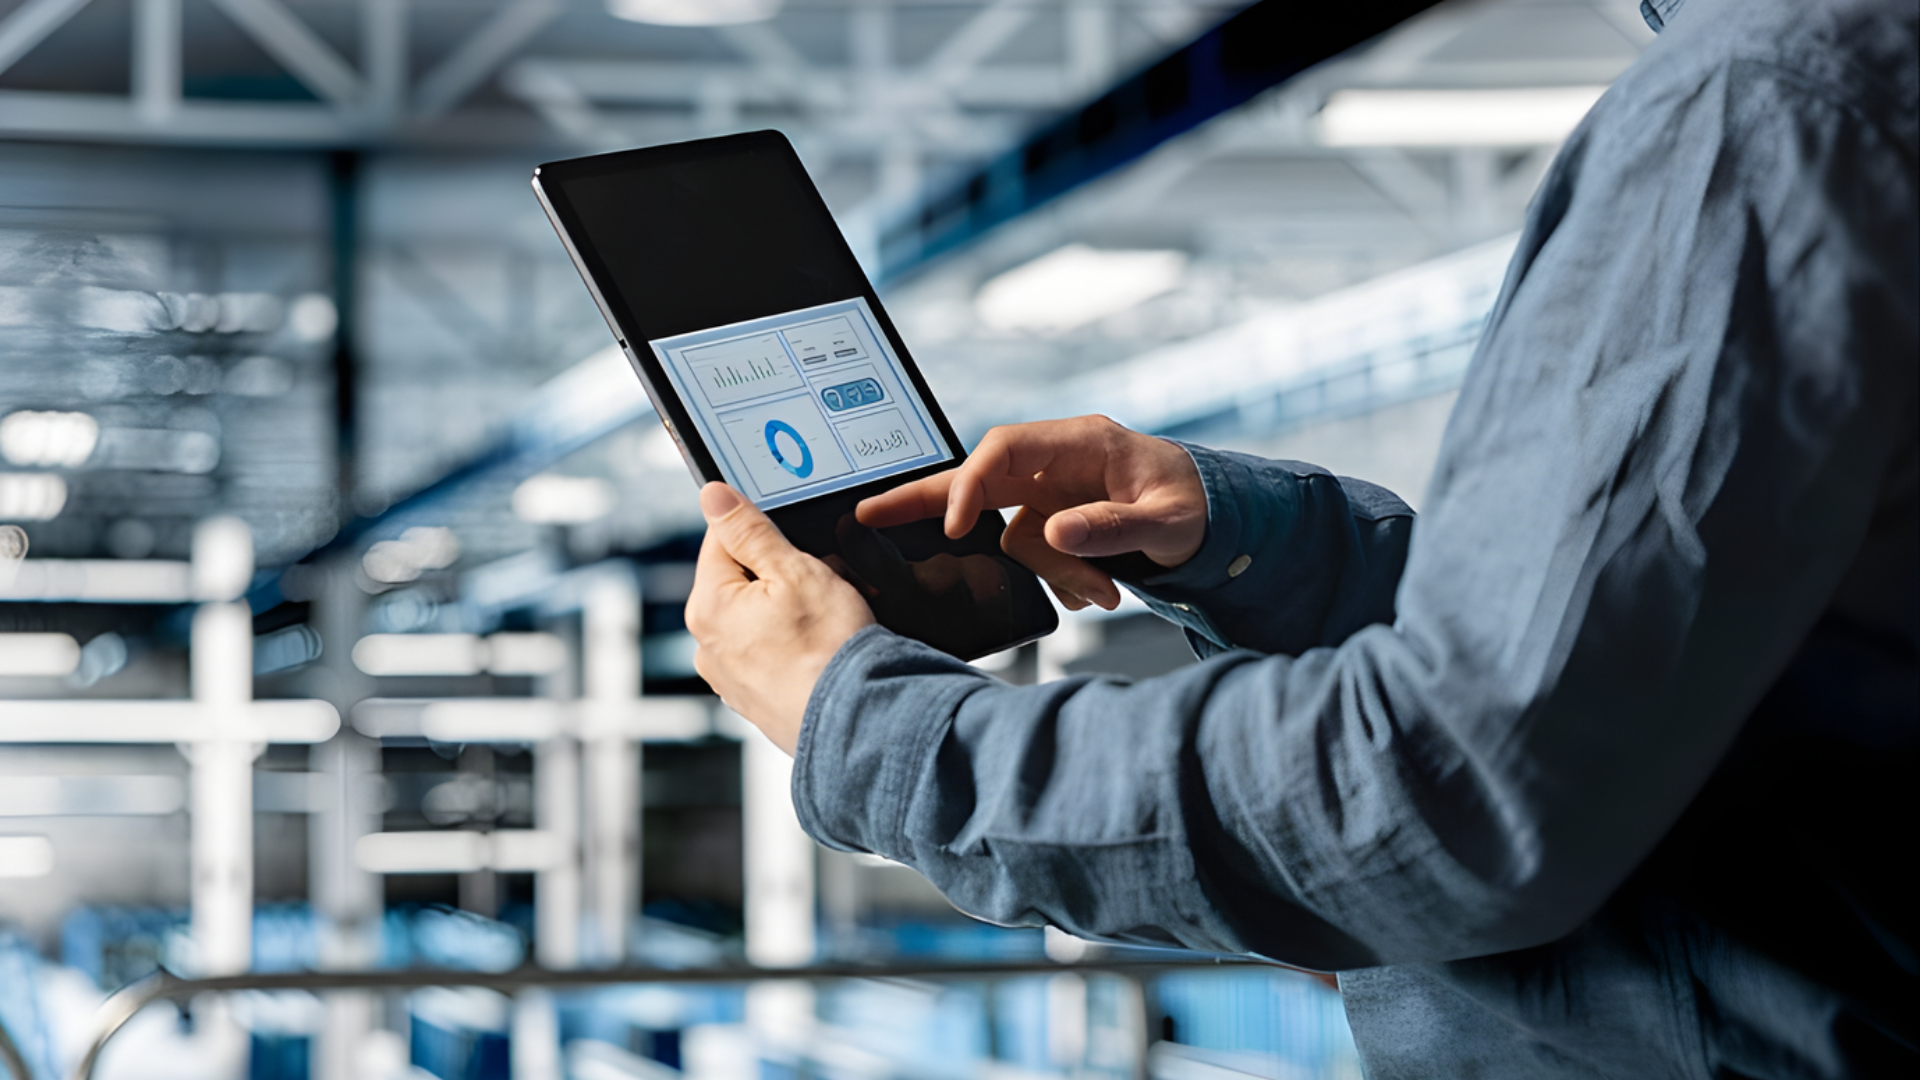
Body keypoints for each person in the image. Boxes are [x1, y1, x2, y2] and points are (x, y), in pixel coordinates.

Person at [684, 0, 1917, 1073]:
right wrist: (1246, 537)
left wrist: (879, 735)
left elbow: (1447, 793)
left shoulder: (1776, 102)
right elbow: (1640, 668)